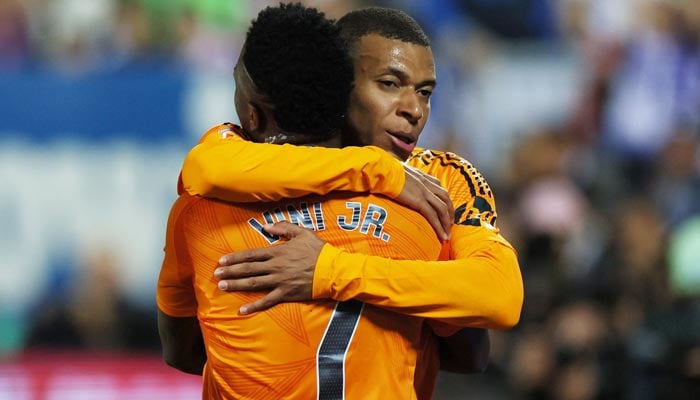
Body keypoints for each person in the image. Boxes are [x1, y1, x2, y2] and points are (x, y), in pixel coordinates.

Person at [181, 5, 523, 390]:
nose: (415, 110)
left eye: (424, 92)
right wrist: (375, 167)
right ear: (340, 84)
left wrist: (331, 271)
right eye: (389, 84)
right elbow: (203, 167)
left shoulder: (443, 178)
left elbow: (499, 299)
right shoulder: (251, 157)